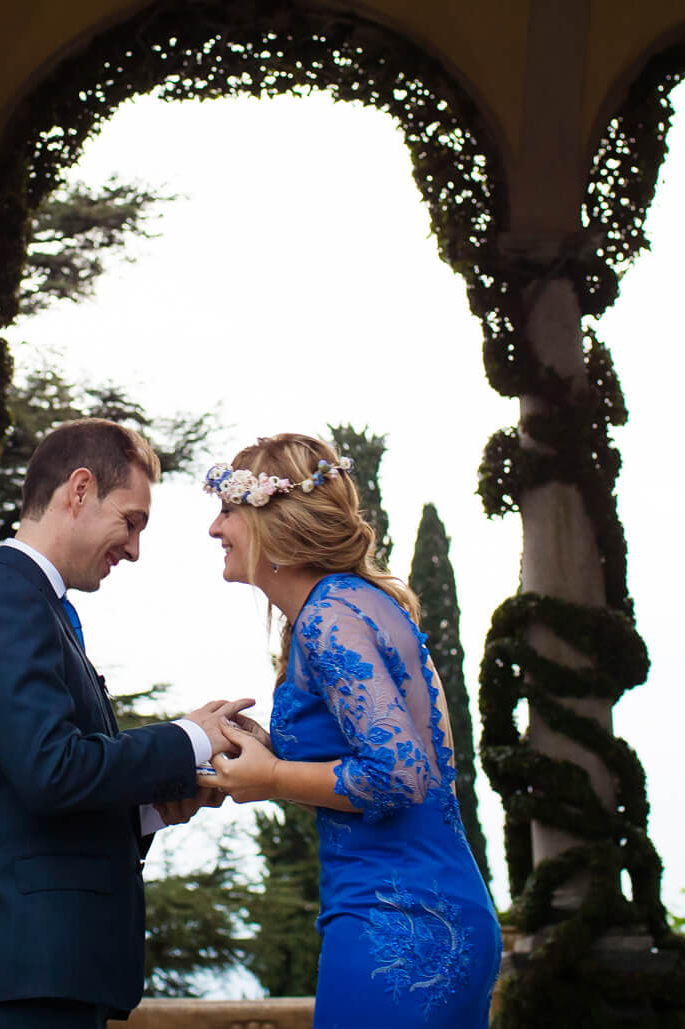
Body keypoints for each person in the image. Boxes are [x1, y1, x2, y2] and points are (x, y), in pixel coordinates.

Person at [0, 418, 248, 1028]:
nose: (133, 548)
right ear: (78, 490)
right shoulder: (9, 602)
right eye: (131, 521)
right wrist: (189, 738)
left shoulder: (37, 607)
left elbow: (35, 789)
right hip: (24, 971)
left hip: (47, 969)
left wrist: (148, 810)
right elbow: (51, 770)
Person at [204, 432, 502, 1028]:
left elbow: (399, 773)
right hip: (426, 907)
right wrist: (261, 748)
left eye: (228, 509)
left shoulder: (327, 617)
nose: (215, 529)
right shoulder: (351, 603)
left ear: (274, 523)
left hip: (399, 922)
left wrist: (273, 778)